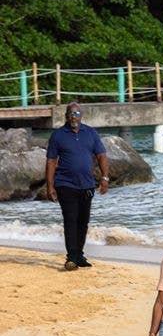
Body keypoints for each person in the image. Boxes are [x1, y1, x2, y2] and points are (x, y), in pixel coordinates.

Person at [45, 102, 110, 270]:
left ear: (82, 115)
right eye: (71, 114)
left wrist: (105, 177)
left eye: (77, 113)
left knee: (83, 222)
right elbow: (51, 161)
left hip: (87, 185)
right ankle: (71, 257)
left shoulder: (91, 133)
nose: (74, 116)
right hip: (65, 184)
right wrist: (50, 186)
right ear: (66, 116)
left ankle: (79, 255)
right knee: (71, 219)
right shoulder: (58, 135)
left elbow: (101, 155)